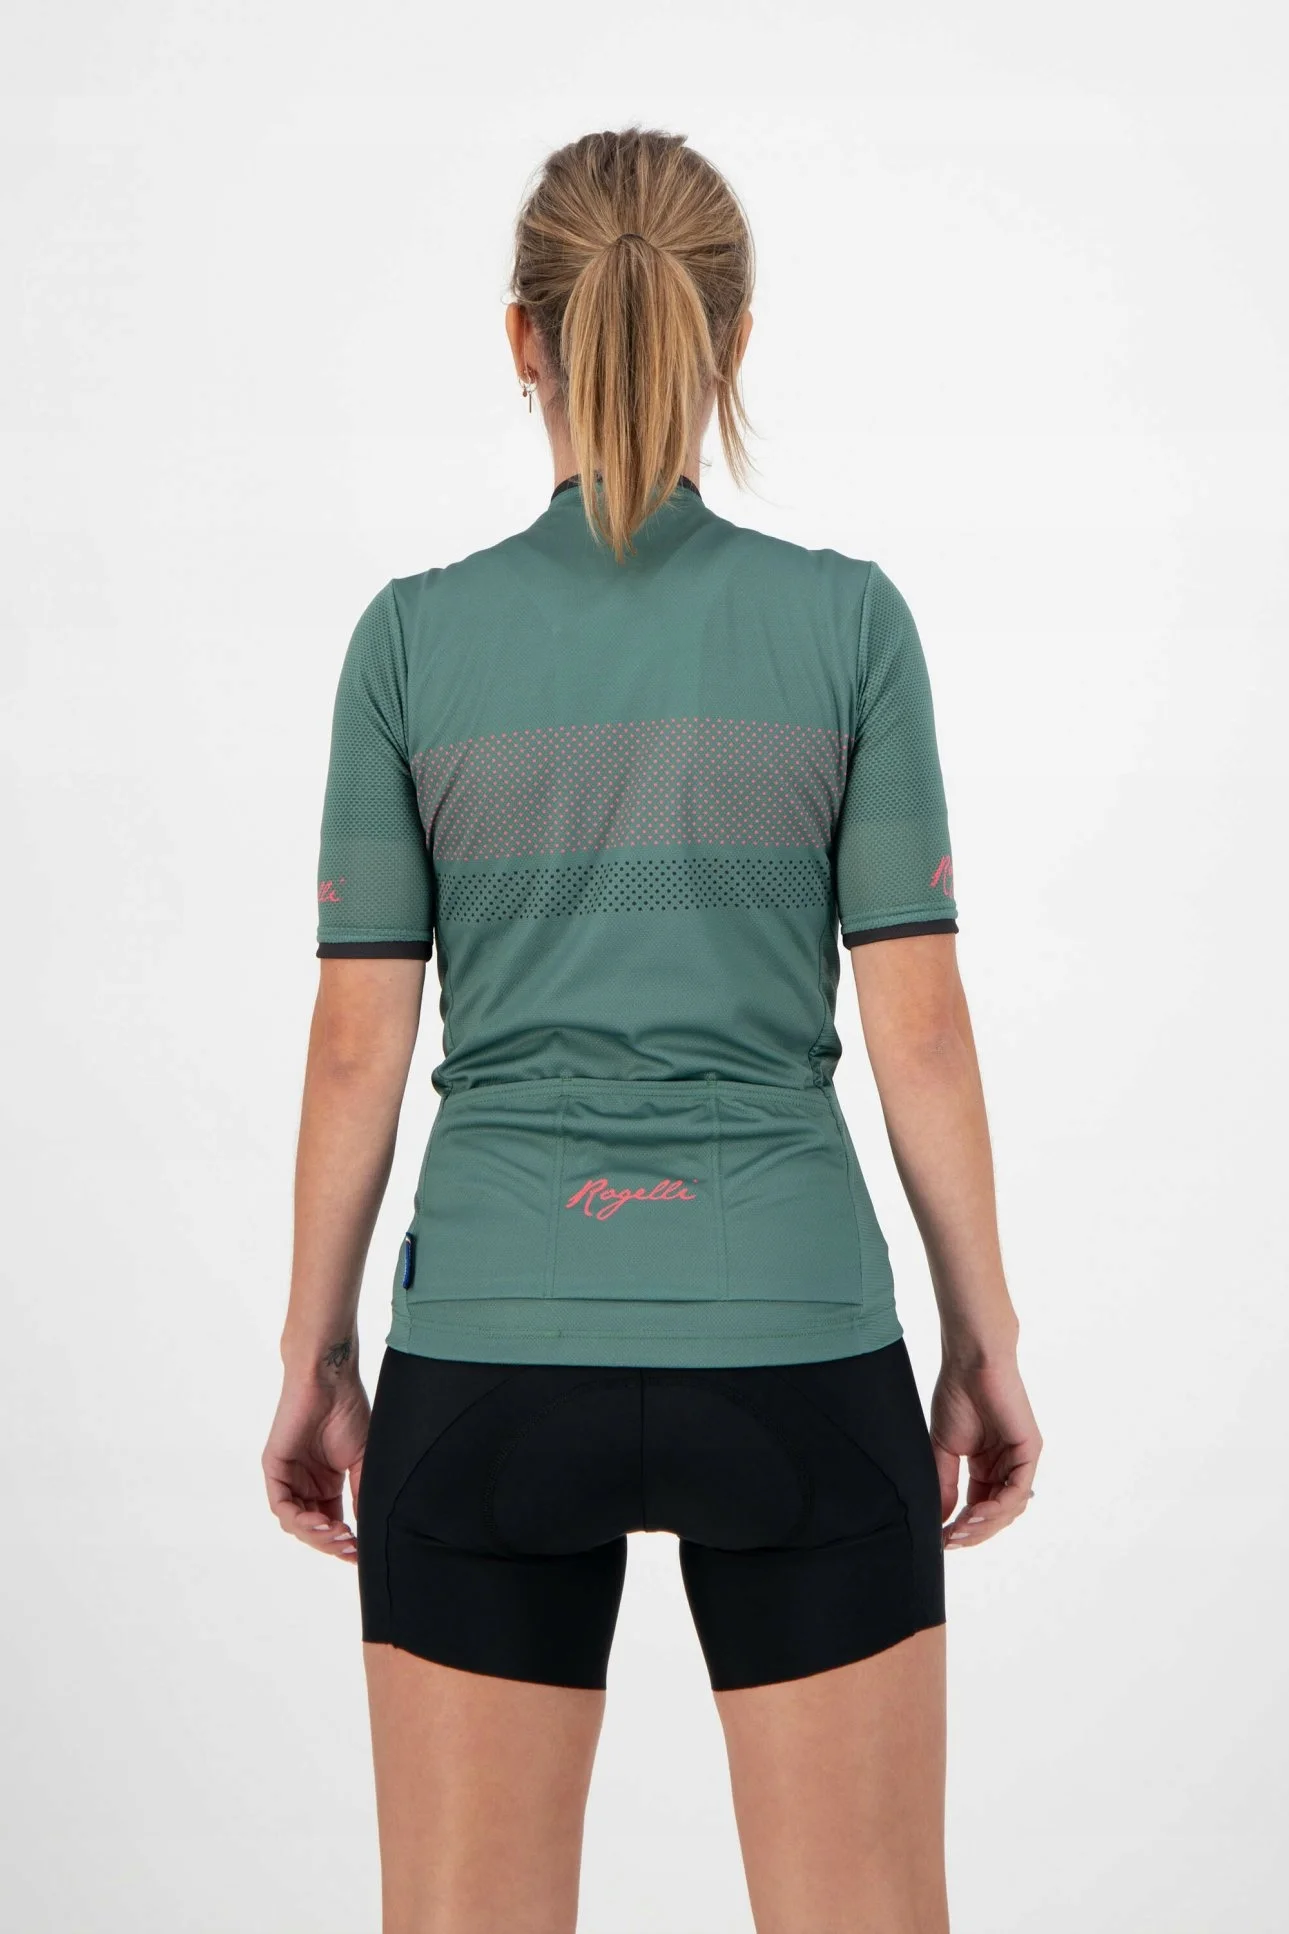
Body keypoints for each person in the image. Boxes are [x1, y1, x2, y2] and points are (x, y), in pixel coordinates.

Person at [262, 124, 1041, 1934]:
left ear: (519, 340)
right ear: (734, 338)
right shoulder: (849, 627)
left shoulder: (409, 645)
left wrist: (317, 1351)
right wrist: (982, 1340)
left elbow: (358, 1048)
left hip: (486, 1357)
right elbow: (921, 1034)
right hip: (795, 1348)